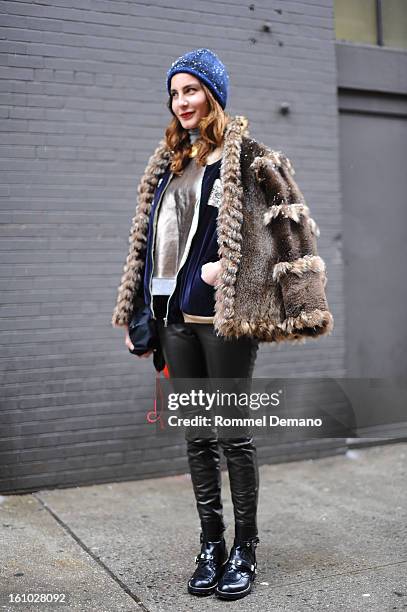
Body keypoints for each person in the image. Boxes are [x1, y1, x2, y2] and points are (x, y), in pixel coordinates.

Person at [112, 48, 334, 601]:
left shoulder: (248, 158)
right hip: (173, 320)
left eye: (191, 90)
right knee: (196, 436)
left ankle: (245, 548)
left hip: (223, 319)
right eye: (174, 92)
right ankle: (211, 544)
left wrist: (230, 268)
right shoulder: (170, 163)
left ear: (213, 94)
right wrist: (142, 313)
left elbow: (289, 230)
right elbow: (152, 246)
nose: (181, 101)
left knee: (234, 435)